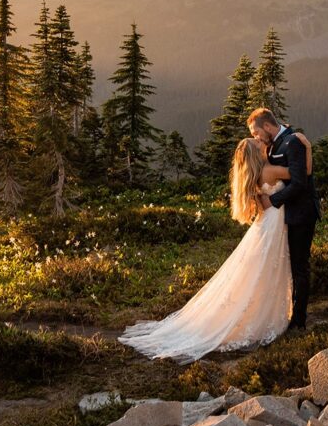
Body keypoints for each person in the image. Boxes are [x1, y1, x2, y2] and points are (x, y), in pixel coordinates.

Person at [117, 134, 311, 363]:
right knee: (268, 272)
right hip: (272, 226)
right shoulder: (271, 171)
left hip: (265, 225)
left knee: (258, 273)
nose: (261, 142)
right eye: (257, 142)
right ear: (254, 152)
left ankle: (256, 313)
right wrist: (307, 146)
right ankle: (265, 317)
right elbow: (303, 174)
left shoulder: (254, 174)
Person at [248, 108, 321, 330]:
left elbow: (301, 182)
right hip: (283, 218)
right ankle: (284, 312)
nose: (256, 137)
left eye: (256, 132)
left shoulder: (293, 142)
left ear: (268, 127)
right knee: (285, 266)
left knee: (299, 266)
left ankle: (298, 320)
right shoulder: (272, 146)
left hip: (301, 214)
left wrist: (274, 200)